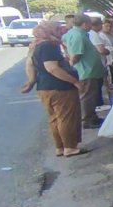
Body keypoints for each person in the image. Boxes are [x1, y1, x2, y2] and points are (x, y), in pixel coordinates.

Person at [21, 22, 86, 157]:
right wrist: (75, 81)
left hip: (44, 87)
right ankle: (70, 147)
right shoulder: (49, 46)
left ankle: (60, 147)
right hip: (60, 87)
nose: (60, 31)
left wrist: (31, 81)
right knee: (66, 117)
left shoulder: (35, 46)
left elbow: (29, 65)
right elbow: (52, 68)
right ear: (49, 31)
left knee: (54, 118)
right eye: (57, 29)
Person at [62, 14, 106, 129]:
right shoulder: (78, 36)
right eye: (90, 23)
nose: (92, 26)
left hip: (90, 70)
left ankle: (92, 116)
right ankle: (88, 119)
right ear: (85, 24)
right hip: (86, 70)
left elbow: (64, 41)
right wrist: (72, 61)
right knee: (88, 96)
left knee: (91, 95)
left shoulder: (74, 33)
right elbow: (76, 54)